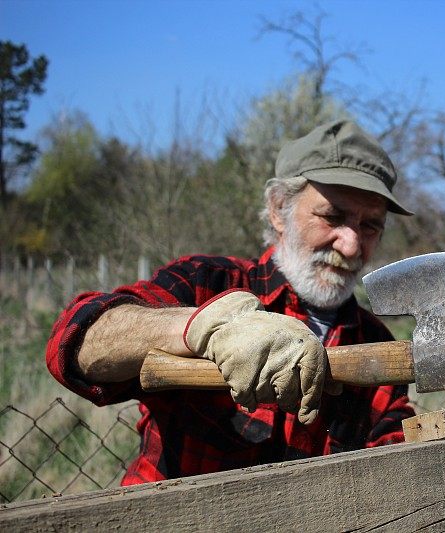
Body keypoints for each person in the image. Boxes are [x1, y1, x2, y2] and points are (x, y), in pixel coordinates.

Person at [46, 120, 416, 485]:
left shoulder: (376, 341)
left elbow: (396, 452)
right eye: (332, 215)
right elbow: (76, 341)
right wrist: (199, 329)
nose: (351, 245)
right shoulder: (205, 283)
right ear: (278, 209)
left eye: (370, 226)